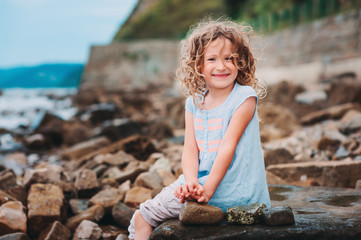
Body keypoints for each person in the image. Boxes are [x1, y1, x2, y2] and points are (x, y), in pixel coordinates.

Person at [127, 18, 271, 240]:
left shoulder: (244, 98)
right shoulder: (194, 103)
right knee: (172, 195)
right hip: (203, 183)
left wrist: (207, 190)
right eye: (211, 59)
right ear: (198, 65)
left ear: (240, 62)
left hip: (233, 190)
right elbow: (190, 151)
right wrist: (192, 182)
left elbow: (227, 148)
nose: (221, 66)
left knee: (142, 217)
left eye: (229, 59)